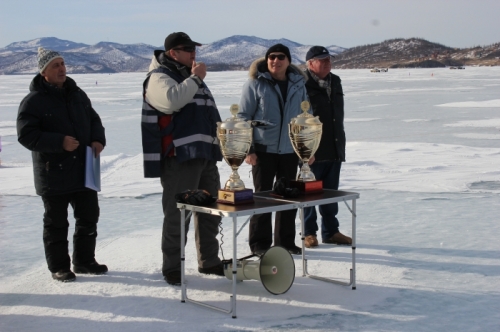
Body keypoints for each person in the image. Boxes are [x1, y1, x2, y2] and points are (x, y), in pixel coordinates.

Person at [17, 47, 108, 282]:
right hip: (53, 172)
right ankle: (59, 267)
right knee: (56, 223)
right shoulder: (33, 101)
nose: (61, 69)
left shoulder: (77, 94)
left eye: (63, 64)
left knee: (89, 217)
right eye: (55, 65)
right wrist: (59, 142)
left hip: (84, 168)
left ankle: (84, 261)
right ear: (43, 72)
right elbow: (26, 135)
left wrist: (97, 139)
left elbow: (94, 119)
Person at [141, 32, 224, 285]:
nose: (193, 53)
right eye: (187, 49)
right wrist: (196, 77)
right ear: (172, 53)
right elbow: (171, 101)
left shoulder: (190, 77)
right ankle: (173, 267)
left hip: (205, 155)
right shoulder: (159, 77)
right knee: (178, 214)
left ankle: (209, 260)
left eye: (194, 49)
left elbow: (209, 113)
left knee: (211, 212)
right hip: (180, 158)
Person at [238, 44, 308, 256]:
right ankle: (260, 244)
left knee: (288, 198)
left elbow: (306, 118)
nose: (274, 61)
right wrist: (248, 149)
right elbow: (243, 117)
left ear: (288, 61)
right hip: (263, 150)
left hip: (289, 151)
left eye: (280, 57)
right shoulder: (255, 84)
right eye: (271, 57)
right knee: (262, 198)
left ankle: (285, 242)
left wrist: (306, 150)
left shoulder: (298, 85)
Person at [302, 46, 352, 248]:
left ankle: (331, 231)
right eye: (322, 60)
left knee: (331, 193)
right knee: (309, 194)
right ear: (310, 64)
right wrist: (305, 150)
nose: (327, 63)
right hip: (312, 150)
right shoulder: (302, 84)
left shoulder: (336, 81)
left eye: (329, 59)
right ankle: (309, 233)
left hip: (334, 145)